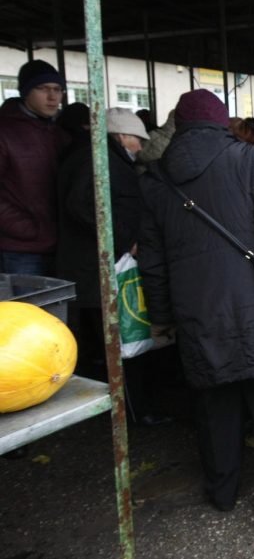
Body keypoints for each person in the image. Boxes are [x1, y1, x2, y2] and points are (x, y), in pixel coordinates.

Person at [137, 89, 254, 526]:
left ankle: (221, 491)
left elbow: (153, 258)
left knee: (214, 404)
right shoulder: (246, 159)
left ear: (179, 126)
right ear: (223, 123)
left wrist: (162, 316)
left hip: (197, 310)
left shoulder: (156, 177)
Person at [56, 107, 169, 425]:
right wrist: (122, 240)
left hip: (97, 264)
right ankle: (134, 411)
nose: (140, 148)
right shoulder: (98, 160)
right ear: (122, 135)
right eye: (137, 140)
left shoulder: (97, 156)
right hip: (99, 267)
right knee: (122, 342)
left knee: (117, 341)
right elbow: (83, 206)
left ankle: (132, 407)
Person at [0, 60, 68, 275]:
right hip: (20, 248)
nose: (52, 97)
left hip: (59, 243)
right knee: (26, 307)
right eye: (42, 89)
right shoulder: (5, 132)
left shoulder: (59, 133)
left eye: (57, 90)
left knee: (55, 308)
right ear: (25, 92)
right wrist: (25, 227)